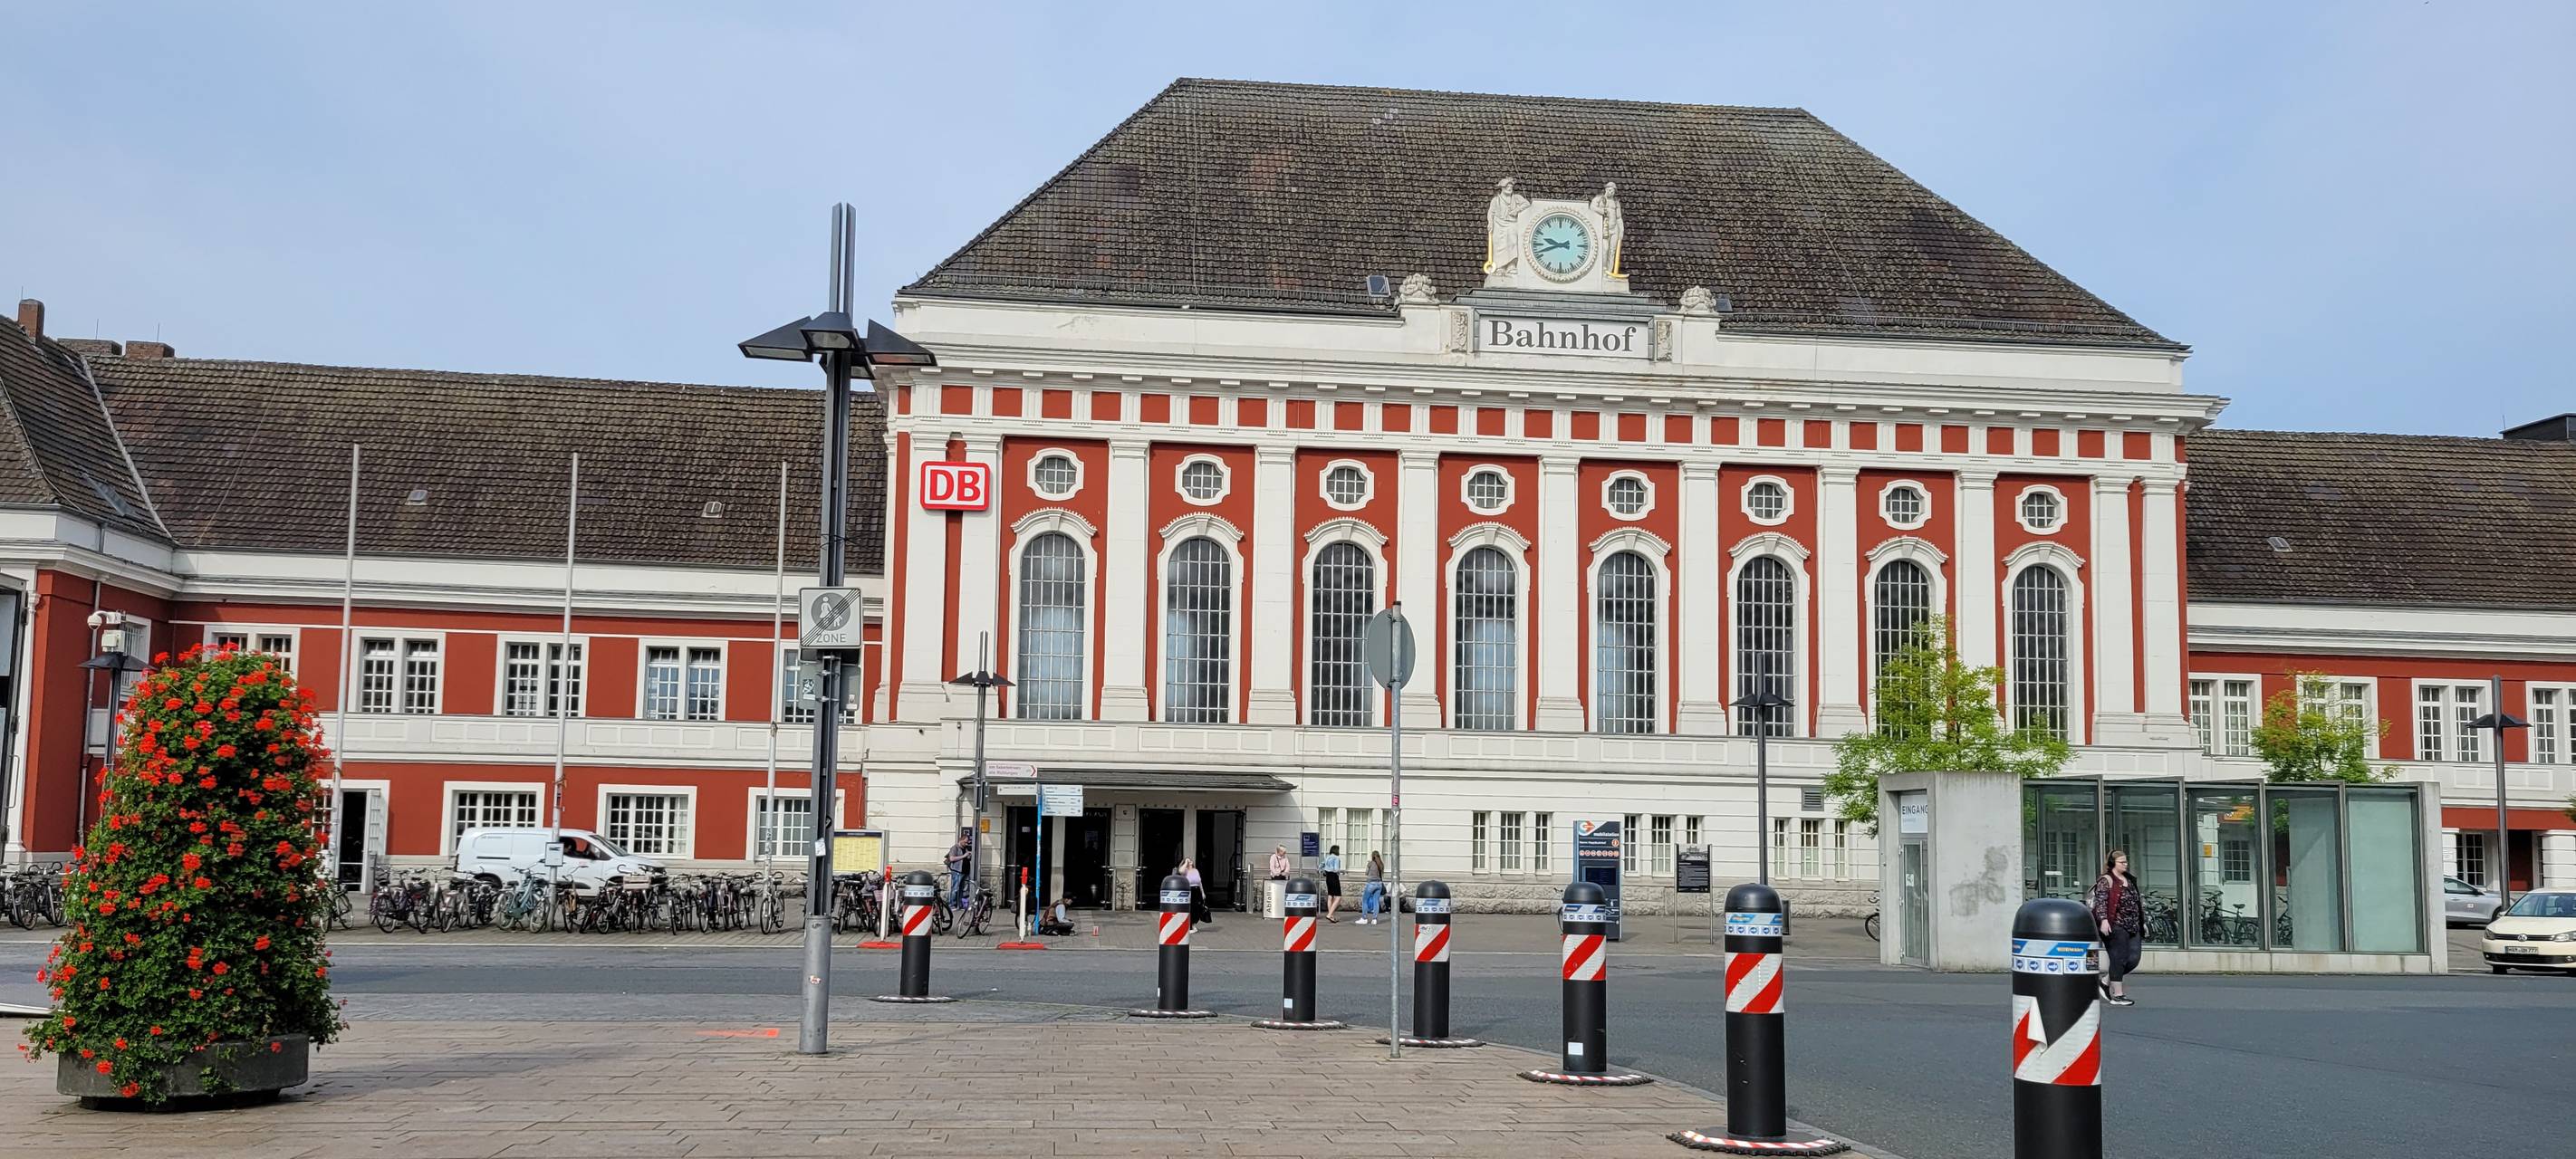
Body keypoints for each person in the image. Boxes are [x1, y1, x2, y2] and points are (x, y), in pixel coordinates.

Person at [2088, 848, 2144, 1007]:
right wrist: (2104, 920)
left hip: (2133, 925)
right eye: (2122, 862)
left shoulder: (2129, 879)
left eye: (2126, 862)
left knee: (2133, 960)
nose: (2126, 865)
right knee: (2118, 958)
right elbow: (2101, 901)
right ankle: (2118, 995)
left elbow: (2136, 902)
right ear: (2113, 863)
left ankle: (2105, 982)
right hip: (2116, 925)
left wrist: (2142, 921)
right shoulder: (2107, 880)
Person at [943, 829, 972, 911]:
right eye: (965, 842)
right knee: (955, 889)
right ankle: (952, 905)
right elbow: (952, 858)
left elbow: (967, 858)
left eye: (967, 842)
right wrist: (964, 856)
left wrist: (969, 856)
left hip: (965, 871)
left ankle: (963, 905)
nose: (966, 844)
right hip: (957, 871)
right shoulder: (954, 848)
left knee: (965, 889)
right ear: (961, 840)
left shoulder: (966, 848)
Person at [1181, 857, 1214, 929]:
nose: (1190, 862)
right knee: (1191, 908)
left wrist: (1203, 892)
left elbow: (1199, 882)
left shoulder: (1196, 870)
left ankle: (1193, 923)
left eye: (1190, 861)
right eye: (1188, 862)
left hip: (1197, 890)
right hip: (1190, 890)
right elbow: (1181, 871)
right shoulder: (1185, 871)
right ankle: (1189, 926)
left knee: (1198, 908)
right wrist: (1186, 862)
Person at [1359, 850, 1386, 924]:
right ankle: (1375, 919)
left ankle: (1364, 918)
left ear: (1372, 856)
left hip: (1371, 883)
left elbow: (1366, 873)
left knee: (1365, 900)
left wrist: (1367, 865)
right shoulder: (1381, 864)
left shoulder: (1371, 863)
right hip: (1379, 884)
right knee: (1376, 901)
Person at [1319, 844, 1344, 923]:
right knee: (1338, 897)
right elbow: (1336, 869)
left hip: (1328, 877)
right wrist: (1342, 872)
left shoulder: (1327, 857)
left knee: (1330, 896)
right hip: (1334, 877)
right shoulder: (1336, 858)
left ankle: (1331, 915)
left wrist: (1322, 870)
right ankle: (1329, 915)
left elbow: (1320, 866)